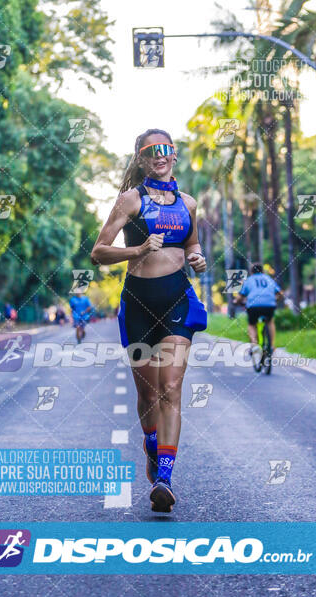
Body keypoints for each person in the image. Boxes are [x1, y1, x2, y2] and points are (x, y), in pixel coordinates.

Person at [91, 129, 207, 512]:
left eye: (166, 149)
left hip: (177, 300)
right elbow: (99, 252)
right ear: (141, 159)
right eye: (151, 151)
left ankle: (165, 479)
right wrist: (138, 249)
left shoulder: (188, 204)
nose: (160, 156)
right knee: (148, 395)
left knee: (171, 388)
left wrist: (197, 257)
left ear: (174, 155)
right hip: (138, 304)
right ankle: (151, 443)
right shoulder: (130, 200)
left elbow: (191, 242)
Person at [236, 263, 283, 352]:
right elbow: (280, 293)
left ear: (251, 272)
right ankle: (272, 346)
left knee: (252, 324)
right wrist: (275, 300)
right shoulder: (268, 279)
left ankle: (254, 344)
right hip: (269, 305)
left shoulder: (249, 280)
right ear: (262, 271)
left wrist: (236, 302)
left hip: (253, 306)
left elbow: (240, 296)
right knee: (270, 322)